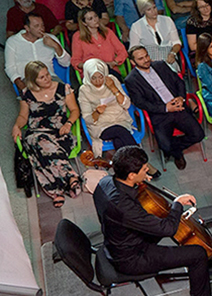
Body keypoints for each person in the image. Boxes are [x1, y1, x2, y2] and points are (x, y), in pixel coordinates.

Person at [11, 60, 82, 207]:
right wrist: (17, 126)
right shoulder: (27, 94)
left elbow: (75, 110)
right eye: (42, 77)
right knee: (38, 142)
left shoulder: (63, 89)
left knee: (40, 153)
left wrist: (68, 124)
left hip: (60, 131)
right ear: (33, 80)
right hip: (37, 132)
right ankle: (70, 177)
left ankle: (56, 190)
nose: (47, 79)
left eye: (47, 74)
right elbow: (23, 116)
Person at [124, 46, 205, 170]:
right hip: (160, 113)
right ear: (132, 62)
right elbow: (140, 102)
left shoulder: (160, 65)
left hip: (178, 107)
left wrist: (181, 98)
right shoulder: (131, 80)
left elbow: (179, 82)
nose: (146, 60)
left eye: (146, 56)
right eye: (141, 59)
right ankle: (177, 153)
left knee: (199, 134)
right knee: (165, 146)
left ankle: (175, 148)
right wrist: (165, 108)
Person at [78, 57, 136, 156]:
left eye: (101, 77)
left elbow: (127, 105)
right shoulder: (84, 90)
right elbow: (87, 119)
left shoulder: (111, 80)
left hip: (120, 119)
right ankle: (142, 161)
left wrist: (113, 88)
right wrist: (97, 112)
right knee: (120, 131)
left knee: (119, 141)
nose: (98, 81)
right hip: (101, 126)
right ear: (88, 76)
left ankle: (127, 164)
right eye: (94, 78)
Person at [6, 12, 70, 91]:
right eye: (36, 26)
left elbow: (66, 63)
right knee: (37, 97)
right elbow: (10, 67)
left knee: (67, 93)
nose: (41, 29)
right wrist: (22, 86)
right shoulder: (13, 41)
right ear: (27, 28)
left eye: (42, 25)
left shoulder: (51, 38)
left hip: (50, 78)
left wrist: (56, 46)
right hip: (28, 80)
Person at [130, 0, 182, 71]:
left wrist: (173, 53)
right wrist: (147, 60)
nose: (153, 11)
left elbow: (176, 42)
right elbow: (133, 50)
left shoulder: (167, 20)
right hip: (148, 63)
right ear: (143, 11)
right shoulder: (136, 26)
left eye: (154, 7)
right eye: (149, 10)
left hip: (169, 59)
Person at [72, 8, 128, 74]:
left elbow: (122, 51)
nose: (95, 20)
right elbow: (76, 61)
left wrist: (114, 62)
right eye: (90, 19)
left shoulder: (107, 32)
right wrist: (90, 66)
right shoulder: (78, 37)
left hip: (110, 69)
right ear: (84, 23)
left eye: (95, 16)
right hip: (92, 72)